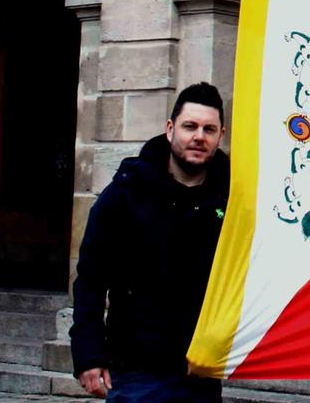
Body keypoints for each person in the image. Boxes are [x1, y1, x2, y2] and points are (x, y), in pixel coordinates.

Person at [70, 83, 231, 402]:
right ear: (170, 129)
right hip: (135, 372)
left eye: (208, 129)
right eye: (190, 126)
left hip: (201, 373)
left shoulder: (233, 199)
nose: (199, 136)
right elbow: (90, 277)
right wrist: (88, 354)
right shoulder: (125, 192)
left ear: (220, 136)